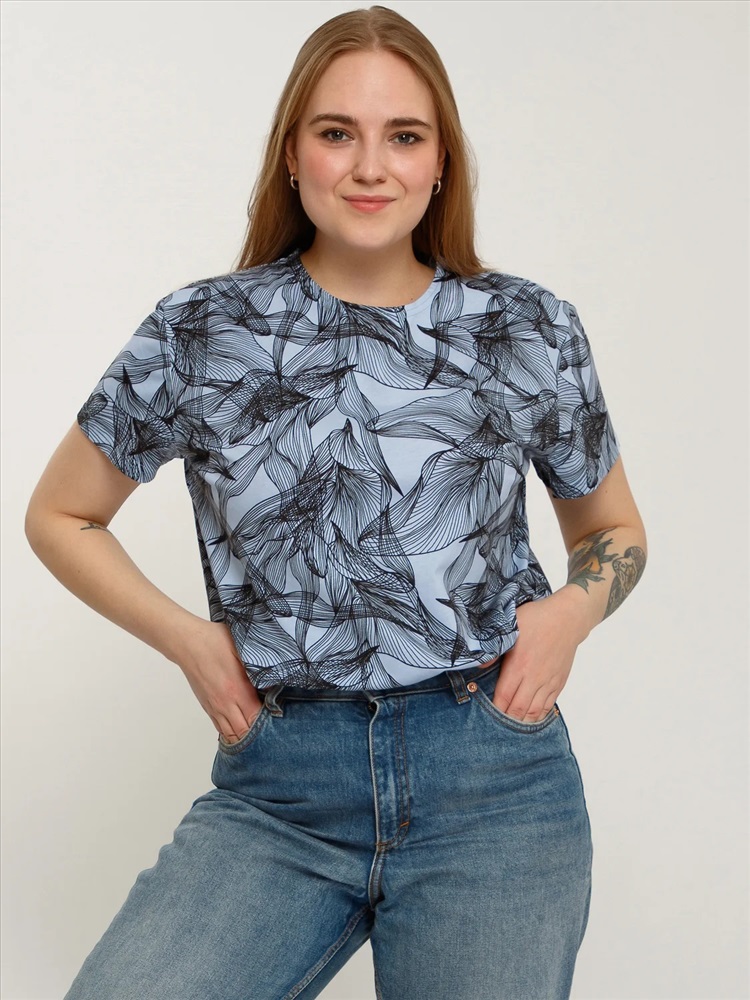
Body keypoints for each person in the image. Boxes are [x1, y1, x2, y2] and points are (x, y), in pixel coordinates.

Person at [25, 5, 647, 999]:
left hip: (492, 784)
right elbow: (61, 515)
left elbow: (614, 531)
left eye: (404, 137)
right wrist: (192, 643)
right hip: (282, 789)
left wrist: (568, 615)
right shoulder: (202, 331)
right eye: (336, 132)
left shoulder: (527, 328)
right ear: (292, 154)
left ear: (440, 162)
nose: (369, 167)